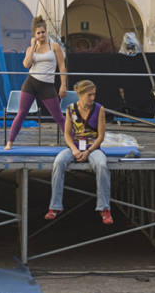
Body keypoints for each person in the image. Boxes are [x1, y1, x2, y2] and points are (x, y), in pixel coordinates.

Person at [45, 80, 113, 225]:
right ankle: (55, 206)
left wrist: (88, 151)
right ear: (80, 95)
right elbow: (67, 134)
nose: (92, 98)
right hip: (75, 147)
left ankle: (104, 207)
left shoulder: (99, 109)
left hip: (93, 147)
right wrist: (75, 150)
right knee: (58, 162)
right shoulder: (70, 109)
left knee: (101, 165)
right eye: (89, 95)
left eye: (94, 95)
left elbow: (101, 136)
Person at [4, 16, 68, 149]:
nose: (41, 35)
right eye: (38, 33)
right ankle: (10, 142)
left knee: (58, 116)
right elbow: (26, 64)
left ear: (46, 32)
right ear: (34, 35)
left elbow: (62, 66)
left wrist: (63, 84)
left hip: (47, 85)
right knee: (21, 113)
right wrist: (33, 46)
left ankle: (73, 141)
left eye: (43, 32)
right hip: (31, 83)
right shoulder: (30, 49)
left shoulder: (54, 46)